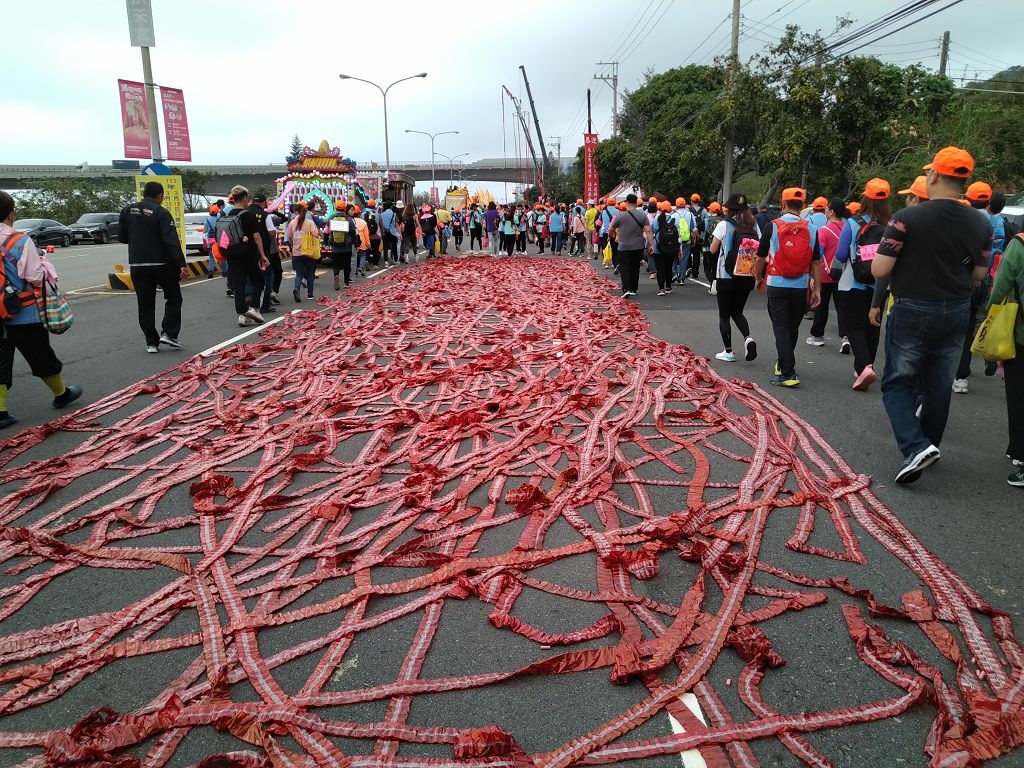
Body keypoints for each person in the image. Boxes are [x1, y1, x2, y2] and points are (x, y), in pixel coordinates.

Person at [871, 146, 993, 484]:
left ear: (935, 175)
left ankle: (914, 447)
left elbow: (881, 268)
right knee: (939, 384)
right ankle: (928, 446)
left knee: (897, 382)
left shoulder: (906, 218)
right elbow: (981, 274)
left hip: (912, 308)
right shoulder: (980, 222)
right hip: (956, 308)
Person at [0, 191, 83, 429]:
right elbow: (35, 277)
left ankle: (1, 411)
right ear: (10, 213)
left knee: (1, 360)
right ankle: (61, 394)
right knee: (40, 355)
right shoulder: (19, 240)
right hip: (23, 313)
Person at [752, 187, 822, 388]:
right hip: (800, 286)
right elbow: (815, 263)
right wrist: (817, 289)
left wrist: (758, 277)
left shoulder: (772, 226)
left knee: (781, 327)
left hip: (777, 284)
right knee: (792, 327)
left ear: (782, 204)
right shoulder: (812, 229)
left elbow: (760, 257)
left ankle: (788, 372)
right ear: (802, 206)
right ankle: (783, 364)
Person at [831, 179, 891, 391]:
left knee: (853, 326)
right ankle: (865, 367)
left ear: (865, 198)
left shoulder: (853, 223)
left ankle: (864, 366)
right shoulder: (891, 225)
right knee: (872, 326)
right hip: (880, 285)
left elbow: (839, 254)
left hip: (852, 282)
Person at [118, 180, 189, 352]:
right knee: (173, 297)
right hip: (162, 264)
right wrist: (182, 264)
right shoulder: (161, 212)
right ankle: (169, 334)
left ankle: (151, 342)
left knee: (145, 304)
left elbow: (122, 237)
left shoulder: (127, 210)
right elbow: (171, 241)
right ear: (160, 196)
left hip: (138, 264)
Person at [953, 181, 1002, 393]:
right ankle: (970, 368)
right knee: (974, 322)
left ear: (969, 199)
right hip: (988, 280)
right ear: (989, 201)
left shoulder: (964, 219)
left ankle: (958, 374)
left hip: (963, 279)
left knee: (957, 329)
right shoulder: (999, 221)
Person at [986, 231, 1024, 486]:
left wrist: (991, 314)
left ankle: (1019, 449)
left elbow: (1002, 285)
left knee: (1019, 392)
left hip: (1022, 335)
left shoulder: (1020, 243)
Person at [708, 192, 759, 363]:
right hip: (746, 276)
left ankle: (728, 351)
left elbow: (713, 249)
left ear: (728, 209)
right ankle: (748, 338)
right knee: (738, 312)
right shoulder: (753, 226)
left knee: (724, 315)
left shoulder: (724, 225)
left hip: (726, 275)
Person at [220, 185, 269, 327]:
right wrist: (262, 255)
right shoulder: (248, 215)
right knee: (258, 281)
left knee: (238, 285)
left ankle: (241, 315)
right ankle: (254, 308)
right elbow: (257, 236)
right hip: (249, 254)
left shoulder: (227, 214)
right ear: (245, 198)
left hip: (232, 255)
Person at [807, 197, 850, 353]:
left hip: (825, 275)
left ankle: (817, 336)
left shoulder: (823, 231)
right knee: (843, 308)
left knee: (821, 306)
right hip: (844, 275)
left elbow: (817, 256)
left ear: (831, 212)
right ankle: (845, 337)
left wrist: (812, 277)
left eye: (827, 208)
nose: (825, 211)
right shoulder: (848, 228)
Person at [608, 193, 654, 299]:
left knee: (624, 268)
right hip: (638, 246)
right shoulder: (642, 215)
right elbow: (648, 230)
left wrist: (612, 235)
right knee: (635, 267)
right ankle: (633, 288)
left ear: (627, 202)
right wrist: (651, 245)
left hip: (623, 246)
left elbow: (611, 228)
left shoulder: (620, 215)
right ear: (636, 203)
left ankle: (626, 288)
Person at [254, 195, 284, 313]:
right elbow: (283, 219)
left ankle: (252, 302)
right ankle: (269, 297)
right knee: (270, 275)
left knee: (255, 276)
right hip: (269, 252)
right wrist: (274, 211)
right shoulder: (268, 217)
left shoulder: (248, 215)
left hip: (253, 252)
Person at [286, 202, 319, 302]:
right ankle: (310, 294)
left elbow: (289, 236)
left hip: (296, 253)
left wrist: (293, 245)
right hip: (309, 252)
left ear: (296, 212)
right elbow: (316, 234)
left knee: (299, 274)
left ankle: (297, 288)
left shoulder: (292, 223)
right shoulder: (309, 222)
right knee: (309, 274)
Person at [327, 201, 358, 287]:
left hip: (335, 247)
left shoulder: (331, 218)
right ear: (344, 209)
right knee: (346, 264)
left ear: (336, 208)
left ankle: (336, 275)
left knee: (335, 264)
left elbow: (327, 227)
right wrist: (356, 244)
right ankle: (346, 282)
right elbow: (353, 233)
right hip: (346, 247)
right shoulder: (348, 219)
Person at [651, 201, 678, 295]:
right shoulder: (674, 219)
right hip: (671, 247)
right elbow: (679, 234)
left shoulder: (656, 220)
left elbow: (652, 231)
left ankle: (661, 289)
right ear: (670, 208)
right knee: (669, 267)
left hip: (658, 247)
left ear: (660, 209)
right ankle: (669, 287)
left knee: (660, 268)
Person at [203, 204, 221, 279]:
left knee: (211, 256)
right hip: (218, 239)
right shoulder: (219, 219)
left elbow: (205, 231)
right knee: (221, 255)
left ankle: (210, 271)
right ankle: (225, 271)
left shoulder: (207, 220)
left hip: (210, 239)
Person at [363, 199, 382, 268]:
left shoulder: (364, 214)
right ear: (374, 206)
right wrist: (382, 233)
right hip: (376, 236)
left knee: (367, 249)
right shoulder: (377, 214)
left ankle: (367, 260)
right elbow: (381, 224)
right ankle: (375, 264)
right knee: (375, 250)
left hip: (367, 235)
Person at [352, 205, 370, 276]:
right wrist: (368, 244)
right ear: (359, 213)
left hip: (354, 240)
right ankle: (361, 267)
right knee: (362, 255)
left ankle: (355, 270)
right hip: (362, 240)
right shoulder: (363, 222)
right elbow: (366, 234)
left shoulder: (351, 221)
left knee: (355, 256)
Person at [380, 201, 400, 265]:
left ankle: (386, 261)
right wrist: (399, 233)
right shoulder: (394, 214)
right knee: (394, 247)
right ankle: (395, 260)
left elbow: (380, 224)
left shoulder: (382, 214)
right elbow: (396, 224)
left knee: (385, 247)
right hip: (392, 232)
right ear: (391, 206)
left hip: (385, 232)